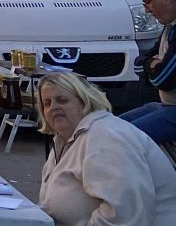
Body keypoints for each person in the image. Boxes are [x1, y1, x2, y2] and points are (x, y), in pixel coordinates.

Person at [35, 70, 176, 225]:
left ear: (84, 102)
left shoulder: (105, 136)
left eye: (62, 100)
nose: (54, 107)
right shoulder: (64, 140)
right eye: (47, 103)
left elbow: (124, 216)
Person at [125, 0, 176, 146]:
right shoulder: (169, 27)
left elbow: (163, 79)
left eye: (148, 3)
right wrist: (152, 64)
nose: (147, 10)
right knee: (110, 126)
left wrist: (152, 66)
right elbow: (139, 64)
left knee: (124, 138)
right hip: (166, 105)